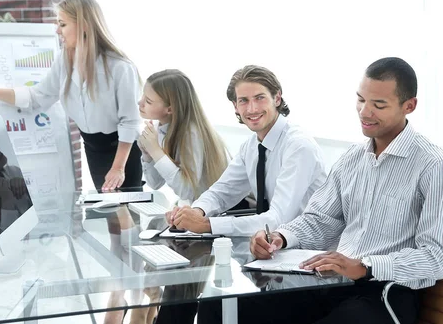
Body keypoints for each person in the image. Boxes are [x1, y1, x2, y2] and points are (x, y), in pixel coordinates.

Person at [200, 57, 443, 324]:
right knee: (220, 307)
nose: (364, 112)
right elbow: (320, 219)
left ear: (409, 106)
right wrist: (280, 237)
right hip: (333, 283)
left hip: (386, 293)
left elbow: (435, 256)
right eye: (360, 100)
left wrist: (365, 266)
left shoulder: (431, 165)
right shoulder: (353, 157)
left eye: (378, 105)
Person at [0, 0, 142, 192]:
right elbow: (36, 97)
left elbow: (130, 122)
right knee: (111, 215)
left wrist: (118, 168)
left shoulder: (120, 68)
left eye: (63, 24)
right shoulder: (64, 61)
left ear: (83, 25)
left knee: (128, 215)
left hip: (123, 152)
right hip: (93, 149)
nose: (57, 30)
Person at [167, 65, 327, 236]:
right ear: (235, 106)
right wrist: (195, 212)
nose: (252, 109)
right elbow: (222, 192)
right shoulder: (251, 147)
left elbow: (278, 219)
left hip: (308, 250)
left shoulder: (298, 146)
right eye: (243, 100)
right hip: (272, 247)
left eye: (259, 98)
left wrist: (207, 224)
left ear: (277, 98)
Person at [137, 69, 230, 204]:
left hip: (216, 212)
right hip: (195, 207)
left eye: (148, 101)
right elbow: (154, 184)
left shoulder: (191, 134)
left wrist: (156, 151)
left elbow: (187, 191)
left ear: (170, 109)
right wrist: (148, 155)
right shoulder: (160, 129)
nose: (140, 103)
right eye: (143, 96)